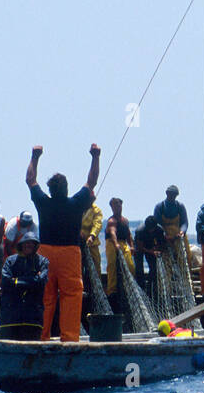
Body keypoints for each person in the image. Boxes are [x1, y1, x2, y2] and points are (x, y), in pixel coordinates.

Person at [27, 143, 100, 342]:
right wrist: (95, 156)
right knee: (71, 296)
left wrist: (35, 156)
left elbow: (30, 179)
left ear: (50, 190)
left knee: (45, 296)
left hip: (46, 253)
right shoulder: (76, 202)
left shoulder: (43, 202)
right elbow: (91, 181)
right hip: (69, 253)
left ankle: (42, 338)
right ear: (67, 189)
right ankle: (69, 339)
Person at [0, 231, 50, 340]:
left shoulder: (43, 261)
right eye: (26, 243)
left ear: (36, 246)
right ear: (20, 245)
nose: (28, 245)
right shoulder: (10, 261)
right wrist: (33, 279)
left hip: (33, 319)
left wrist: (16, 281)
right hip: (10, 318)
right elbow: (6, 281)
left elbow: (41, 281)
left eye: (32, 243)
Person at [104, 198, 134, 296]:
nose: (116, 207)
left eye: (118, 205)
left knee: (130, 265)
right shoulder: (111, 221)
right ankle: (112, 290)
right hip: (111, 243)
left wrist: (132, 246)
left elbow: (129, 234)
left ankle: (130, 287)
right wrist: (116, 244)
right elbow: (112, 232)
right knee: (112, 265)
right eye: (114, 206)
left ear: (121, 205)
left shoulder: (125, 220)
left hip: (123, 242)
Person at [153, 186, 190, 260]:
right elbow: (157, 224)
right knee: (166, 259)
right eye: (171, 194)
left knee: (185, 257)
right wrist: (164, 236)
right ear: (167, 193)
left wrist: (182, 232)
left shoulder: (180, 206)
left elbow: (185, 222)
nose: (172, 196)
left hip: (178, 237)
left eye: (175, 195)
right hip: (164, 237)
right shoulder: (159, 207)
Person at [133, 214, 166, 296]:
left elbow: (162, 244)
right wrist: (151, 251)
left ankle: (152, 289)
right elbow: (140, 247)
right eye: (149, 229)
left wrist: (158, 250)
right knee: (139, 268)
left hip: (151, 245)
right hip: (140, 247)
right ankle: (141, 289)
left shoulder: (160, 230)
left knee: (154, 268)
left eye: (152, 229)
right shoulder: (140, 231)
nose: (151, 231)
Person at [81, 197, 104, 278]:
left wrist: (92, 236)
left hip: (92, 244)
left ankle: (96, 288)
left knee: (96, 267)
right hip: (78, 245)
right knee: (78, 268)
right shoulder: (78, 207)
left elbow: (97, 224)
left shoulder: (96, 210)